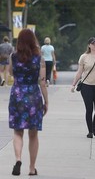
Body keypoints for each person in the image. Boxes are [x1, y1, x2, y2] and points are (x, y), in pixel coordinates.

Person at [8, 29, 48, 176]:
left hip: (17, 95)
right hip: (33, 96)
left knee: (18, 131)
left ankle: (18, 159)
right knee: (33, 134)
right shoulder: (39, 58)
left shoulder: (14, 57)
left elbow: (11, 73)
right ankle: (32, 168)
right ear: (33, 41)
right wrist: (46, 101)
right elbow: (42, 82)